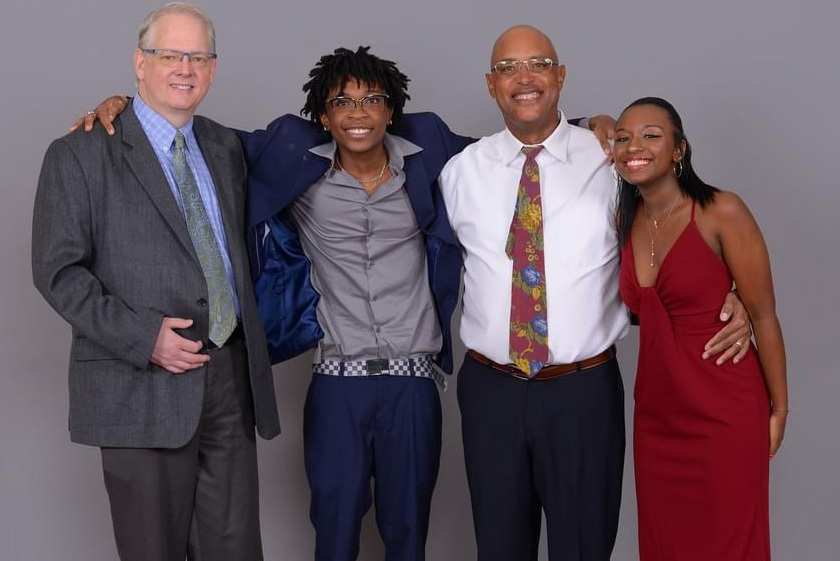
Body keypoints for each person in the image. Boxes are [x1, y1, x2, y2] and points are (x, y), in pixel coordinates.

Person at [438, 26, 751, 561]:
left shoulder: (612, 159)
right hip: (491, 391)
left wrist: (736, 290)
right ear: (492, 85)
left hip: (581, 392)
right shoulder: (459, 173)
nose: (524, 78)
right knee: (499, 546)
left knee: (584, 546)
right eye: (508, 68)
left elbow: (683, 225)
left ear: (561, 76)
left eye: (539, 64)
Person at [31, 4, 279, 561]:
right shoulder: (79, 154)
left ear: (213, 69)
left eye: (198, 57)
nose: (185, 69)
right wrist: (144, 339)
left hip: (229, 380)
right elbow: (57, 271)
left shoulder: (225, 147)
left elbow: (311, 140)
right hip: (140, 383)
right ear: (140, 63)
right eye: (170, 55)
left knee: (236, 551)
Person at [613, 96, 788, 561]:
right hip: (656, 418)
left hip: (724, 412)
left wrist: (779, 409)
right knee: (665, 546)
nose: (635, 146)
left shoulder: (720, 210)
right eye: (623, 138)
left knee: (730, 545)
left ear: (679, 150)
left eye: (651, 135)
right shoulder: (622, 219)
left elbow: (764, 315)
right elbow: (644, 312)